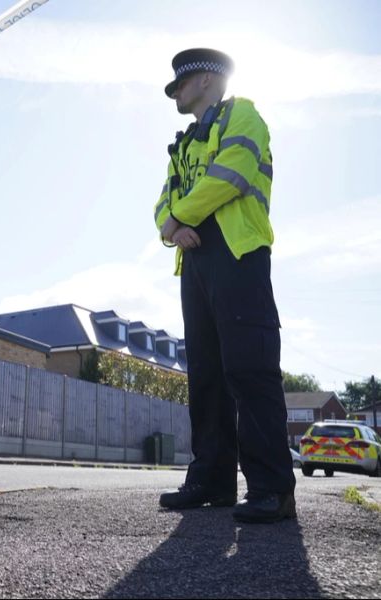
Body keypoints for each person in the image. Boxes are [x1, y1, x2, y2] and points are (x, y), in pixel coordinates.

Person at [154, 49, 295, 523]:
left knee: (249, 369)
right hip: (194, 262)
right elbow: (161, 203)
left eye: (182, 82)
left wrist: (178, 218)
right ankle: (211, 480)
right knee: (207, 377)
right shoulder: (182, 144)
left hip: (238, 254)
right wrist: (171, 226)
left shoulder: (243, 114)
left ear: (209, 80)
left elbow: (231, 172)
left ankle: (272, 488)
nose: (175, 91)